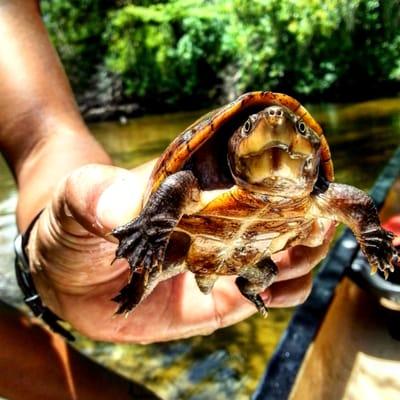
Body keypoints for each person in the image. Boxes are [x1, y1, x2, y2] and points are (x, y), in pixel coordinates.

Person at [0, 0, 334, 398]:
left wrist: (41, 270)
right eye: (251, 127)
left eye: (294, 128)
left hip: (242, 250)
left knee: (264, 276)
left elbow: (43, 138)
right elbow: (177, 185)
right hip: (197, 244)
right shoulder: (198, 177)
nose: (275, 128)